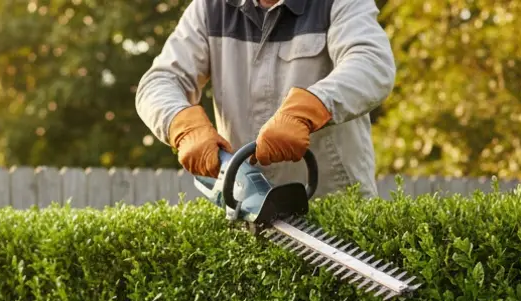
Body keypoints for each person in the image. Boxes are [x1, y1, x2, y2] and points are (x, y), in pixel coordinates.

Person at [134, 0, 396, 199]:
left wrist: (309, 109)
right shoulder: (210, 7)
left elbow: (371, 63)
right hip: (244, 204)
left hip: (333, 200)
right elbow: (159, 82)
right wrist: (183, 125)